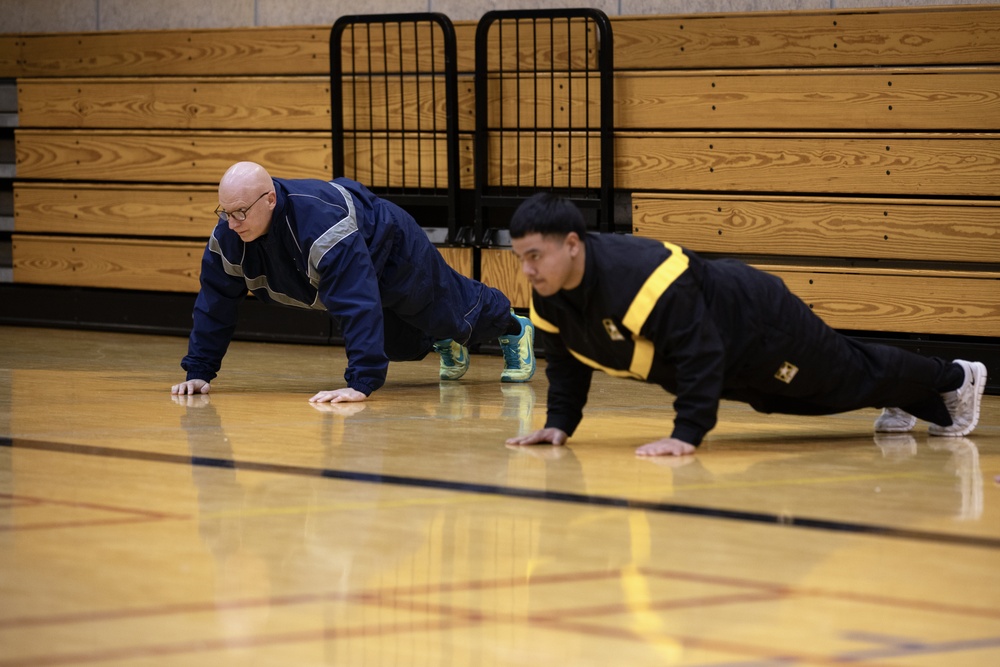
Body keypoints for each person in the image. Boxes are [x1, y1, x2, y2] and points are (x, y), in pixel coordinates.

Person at [503, 193, 987, 457]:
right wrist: (559, 424)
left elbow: (699, 353)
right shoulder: (550, 295)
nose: (527, 271)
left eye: (534, 257)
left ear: (571, 243)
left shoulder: (644, 276)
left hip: (761, 322)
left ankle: (957, 377)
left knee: (844, 378)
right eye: (519, 258)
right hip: (732, 356)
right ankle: (902, 396)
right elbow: (566, 363)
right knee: (810, 398)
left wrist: (687, 433)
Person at [171, 162, 535, 402]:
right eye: (224, 212)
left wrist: (360, 384)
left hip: (389, 244)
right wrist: (199, 372)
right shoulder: (230, 235)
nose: (231, 223)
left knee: (452, 312)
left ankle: (512, 327)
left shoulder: (321, 227)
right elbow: (214, 304)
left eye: (240, 213)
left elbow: (356, 302)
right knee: (397, 346)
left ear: (270, 199)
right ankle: (440, 338)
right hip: (356, 264)